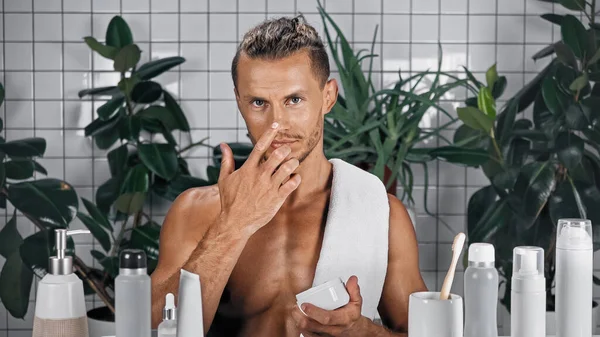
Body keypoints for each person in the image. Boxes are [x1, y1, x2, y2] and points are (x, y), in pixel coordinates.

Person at [150, 15, 427, 336]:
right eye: (258, 103)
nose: (276, 123)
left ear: (328, 97)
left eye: (294, 100)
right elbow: (150, 329)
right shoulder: (196, 211)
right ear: (239, 101)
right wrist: (232, 226)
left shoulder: (382, 214)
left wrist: (365, 333)